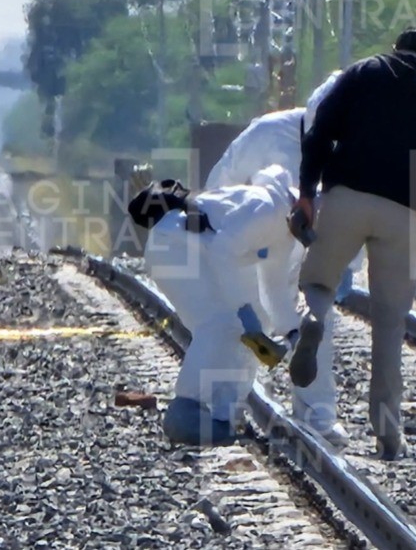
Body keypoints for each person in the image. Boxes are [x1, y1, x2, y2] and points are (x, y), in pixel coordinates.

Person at [288, 26, 416, 460]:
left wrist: (305, 192)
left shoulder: (364, 72)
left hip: (345, 199)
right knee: (391, 323)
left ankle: (312, 319)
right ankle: (389, 434)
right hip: (405, 215)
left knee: (316, 284)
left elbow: (318, 132)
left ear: (396, 51)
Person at [128, 165, 301, 446]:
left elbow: (273, 286)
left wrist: (291, 331)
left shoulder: (286, 231)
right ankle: (184, 411)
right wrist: (242, 309)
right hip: (175, 247)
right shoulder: (268, 208)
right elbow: (222, 250)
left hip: (192, 251)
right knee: (219, 324)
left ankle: (224, 415)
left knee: (243, 327)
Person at [205, 70, 365, 303]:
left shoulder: (355, 147)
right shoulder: (266, 133)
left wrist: (349, 266)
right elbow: (221, 186)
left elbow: (354, 209)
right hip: (260, 246)